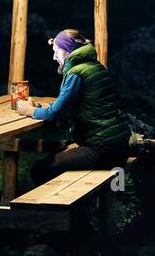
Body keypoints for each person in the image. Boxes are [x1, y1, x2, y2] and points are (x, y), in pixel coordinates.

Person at [13, 29, 131, 185]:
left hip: (103, 149)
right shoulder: (94, 66)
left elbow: (56, 113)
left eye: (57, 52)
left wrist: (28, 110)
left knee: (41, 169)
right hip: (120, 144)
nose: (54, 57)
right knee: (58, 154)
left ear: (68, 52)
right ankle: (81, 206)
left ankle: (57, 208)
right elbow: (68, 105)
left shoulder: (76, 73)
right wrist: (42, 108)